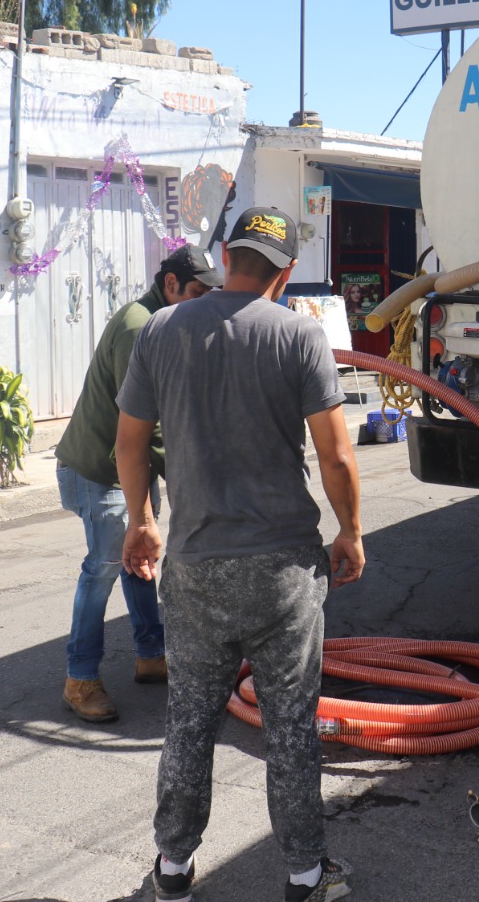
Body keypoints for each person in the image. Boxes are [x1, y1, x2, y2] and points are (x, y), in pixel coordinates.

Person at [115, 206, 364, 902]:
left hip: (196, 568)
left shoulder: (162, 330)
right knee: (290, 728)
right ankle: (306, 876)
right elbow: (336, 456)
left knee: (189, 724)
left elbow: (129, 443)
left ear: (226, 255)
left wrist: (142, 521)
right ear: (287, 271)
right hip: (283, 572)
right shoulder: (299, 335)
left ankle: (172, 869)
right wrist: (350, 531)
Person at [55, 244, 223, 723]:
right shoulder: (140, 327)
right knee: (105, 567)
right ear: (170, 285)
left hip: (129, 464)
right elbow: (147, 423)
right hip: (99, 469)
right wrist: (193, 479)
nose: (204, 304)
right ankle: (79, 678)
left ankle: (151, 655)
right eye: (197, 292)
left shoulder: (168, 321)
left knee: (141, 559)